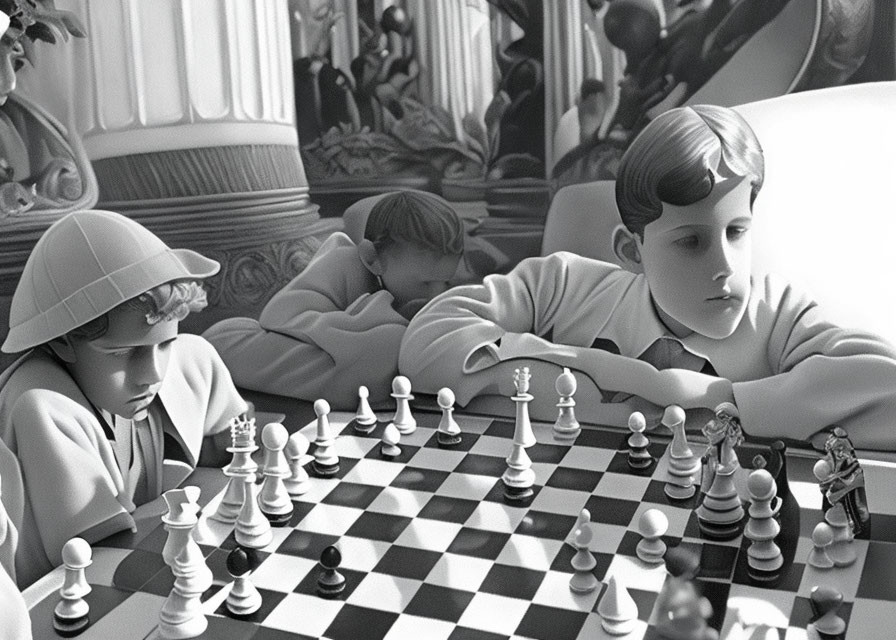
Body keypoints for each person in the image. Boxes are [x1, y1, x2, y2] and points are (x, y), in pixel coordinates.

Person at [400, 104, 896, 451]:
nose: (725, 265)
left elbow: (887, 389)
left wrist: (716, 400)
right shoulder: (562, 286)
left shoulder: (779, 314)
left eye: (737, 231)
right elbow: (426, 343)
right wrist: (616, 375)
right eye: (691, 241)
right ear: (630, 251)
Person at [0, 209, 248, 587]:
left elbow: (240, 451)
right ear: (63, 341)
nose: (154, 373)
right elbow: (104, 562)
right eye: (121, 354)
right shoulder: (42, 406)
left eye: (166, 343)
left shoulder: (190, 358)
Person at [204, 190, 464, 408]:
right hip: (243, 341)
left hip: (330, 359)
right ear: (372, 259)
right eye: (426, 283)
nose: (436, 295)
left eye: (446, 281)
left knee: (392, 344)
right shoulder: (343, 263)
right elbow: (276, 318)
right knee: (389, 343)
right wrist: (374, 315)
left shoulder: (410, 282)